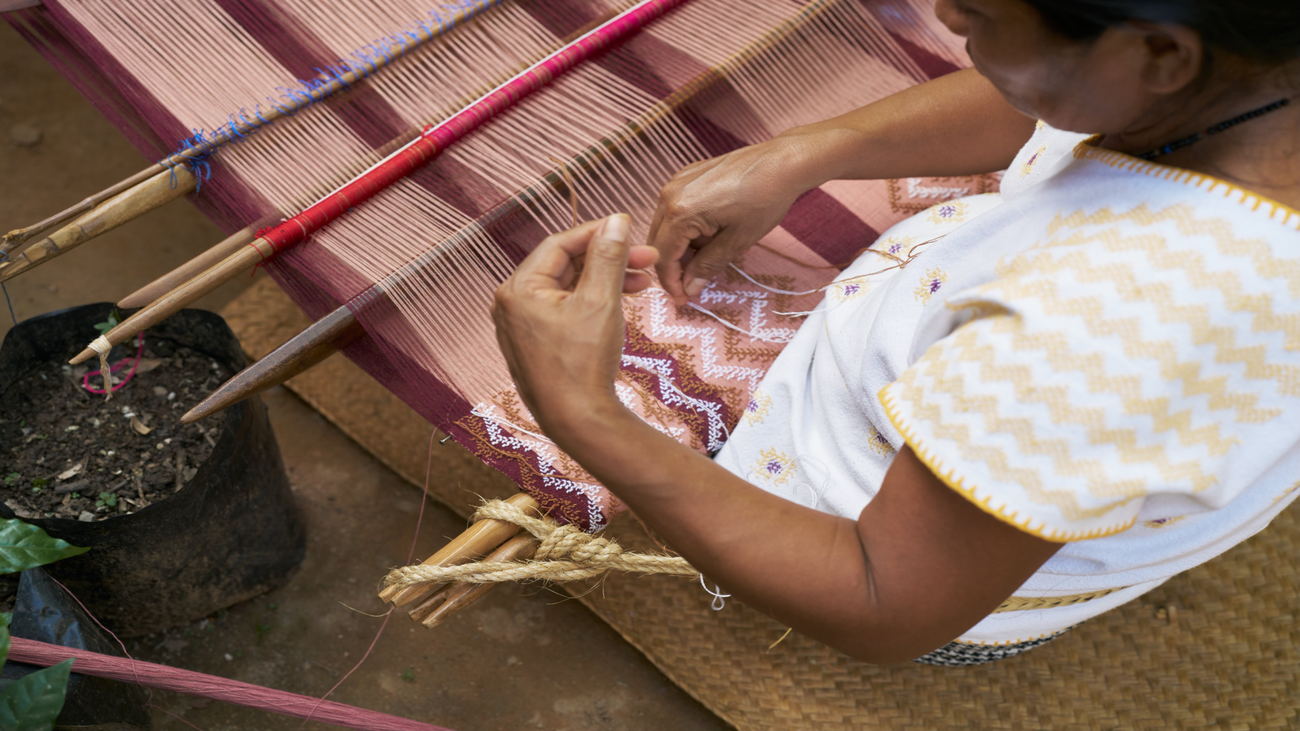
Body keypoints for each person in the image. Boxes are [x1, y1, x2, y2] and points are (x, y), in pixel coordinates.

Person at [490, 0, 1299, 665]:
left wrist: (581, 409)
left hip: (909, 563)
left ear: (1160, 53)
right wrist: (817, 151)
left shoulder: (1109, 324)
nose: (944, 15)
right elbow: (1060, 102)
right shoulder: (1240, 75)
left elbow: (885, 602)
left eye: (977, 13)